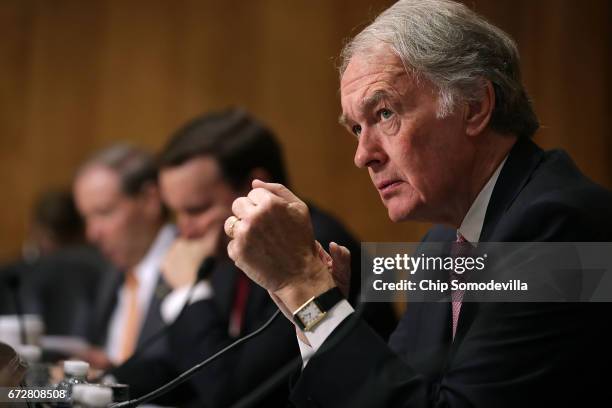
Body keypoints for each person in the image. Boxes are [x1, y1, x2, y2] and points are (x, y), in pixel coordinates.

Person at [224, 1, 612, 407]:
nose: (363, 155)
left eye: (385, 113)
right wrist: (316, 315)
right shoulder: (440, 247)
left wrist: (305, 288)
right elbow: (406, 392)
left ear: (475, 105)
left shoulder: (563, 229)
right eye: (356, 128)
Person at [110, 108, 396, 406]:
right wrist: (103, 385)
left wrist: (186, 294)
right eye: (175, 212)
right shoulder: (229, 248)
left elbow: (233, 392)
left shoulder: (310, 248)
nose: (184, 230)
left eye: (196, 210)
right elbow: (184, 368)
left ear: (254, 187)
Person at [73, 145, 176, 369]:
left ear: (150, 200)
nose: (92, 234)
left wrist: (117, 378)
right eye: (86, 218)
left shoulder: (199, 265)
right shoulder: (110, 275)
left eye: (104, 212)